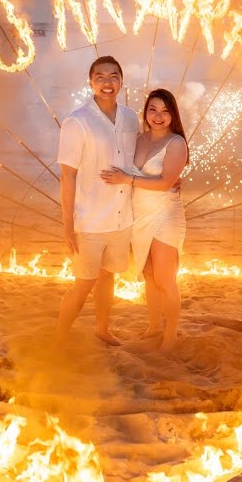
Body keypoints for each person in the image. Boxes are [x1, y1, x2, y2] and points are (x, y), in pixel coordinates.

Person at [55, 56, 141, 344]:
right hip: (90, 219)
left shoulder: (130, 117)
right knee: (83, 283)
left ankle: (102, 330)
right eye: (100, 77)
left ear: (121, 81)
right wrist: (68, 224)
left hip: (121, 218)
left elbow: (138, 160)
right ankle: (59, 338)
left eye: (114, 76)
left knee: (108, 277)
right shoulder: (77, 122)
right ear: (90, 82)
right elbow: (67, 175)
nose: (108, 83)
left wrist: (168, 177)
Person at [99, 88, 189, 353]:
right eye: (153, 109)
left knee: (164, 277)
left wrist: (127, 179)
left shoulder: (176, 143)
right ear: (145, 112)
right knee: (149, 275)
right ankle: (154, 327)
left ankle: (170, 334)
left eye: (164, 111)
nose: (158, 116)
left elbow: (165, 183)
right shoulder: (138, 139)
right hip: (140, 214)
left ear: (172, 114)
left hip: (165, 213)